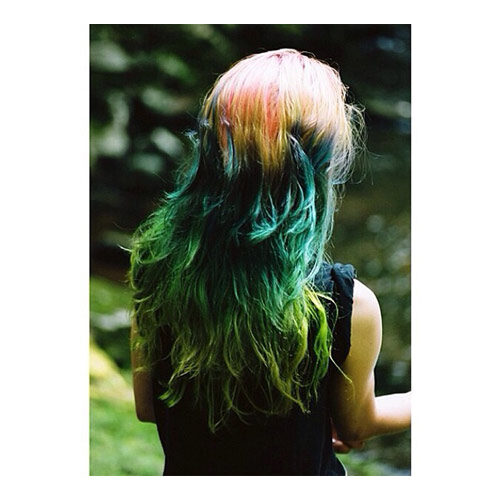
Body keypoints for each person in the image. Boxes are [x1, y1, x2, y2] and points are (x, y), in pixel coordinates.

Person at [129, 48, 411, 475]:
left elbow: (148, 406)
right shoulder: (344, 303)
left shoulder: (156, 271)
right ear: (318, 170)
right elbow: (357, 425)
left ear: (210, 158)